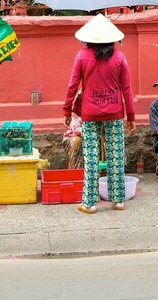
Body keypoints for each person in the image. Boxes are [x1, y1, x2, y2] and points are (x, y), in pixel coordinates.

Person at [63, 14, 136, 214]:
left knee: (91, 157)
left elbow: (72, 85)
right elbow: (127, 89)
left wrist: (67, 110)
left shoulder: (81, 56)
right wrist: (131, 116)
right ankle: (119, 200)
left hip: (89, 113)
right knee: (116, 156)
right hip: (114, 112)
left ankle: (89, 203)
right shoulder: (120, 57)